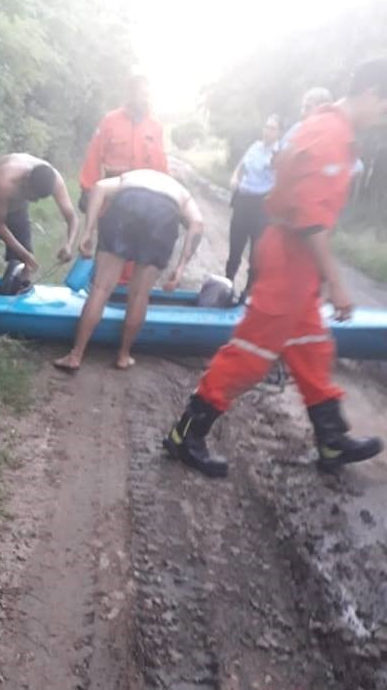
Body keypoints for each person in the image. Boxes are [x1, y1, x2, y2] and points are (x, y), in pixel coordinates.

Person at [163, 58, 387, 478]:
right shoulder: (326, 137)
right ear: (373, 91)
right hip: (289, 259)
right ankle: (184, 435)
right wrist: (337, 285)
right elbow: (311, 221)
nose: (384, 114)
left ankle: (331, 440)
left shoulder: (330, 130)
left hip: (296, 261)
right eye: (385, 103)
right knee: (249, 355)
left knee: (310, 347)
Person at [53, 169, 203, 372]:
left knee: (101, 288)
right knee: (140, 294)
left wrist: (88, 232)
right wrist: (180, 267)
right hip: (164, 215)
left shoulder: (135, 175)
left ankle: (76, 355)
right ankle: (123, 356)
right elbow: (197, 223)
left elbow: (98, 187)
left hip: (127, 204)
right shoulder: (182, 193)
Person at [79, 72, 169, 284]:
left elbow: (161, 165)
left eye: (147, 94)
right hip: (113, 196)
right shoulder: (110, 121)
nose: (144, 98)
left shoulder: (155, 127)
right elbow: (94, 155)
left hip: (144, 198)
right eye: (140, 93)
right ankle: (101, 292)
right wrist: (87, 189)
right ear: (129, 94)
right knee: (109, 249)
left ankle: (125, 296)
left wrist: (165, 197)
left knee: (136, 252)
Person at [0, 154, 78, 278]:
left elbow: (72, 217)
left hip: (18, 206)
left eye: (39, 198)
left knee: (23, 258)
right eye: (33, 196)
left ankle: (17, 283)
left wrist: (69, 244)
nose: (35, 201)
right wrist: (25, 255)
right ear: (26, 180)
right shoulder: (4, 180)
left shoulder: (54, 180)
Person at [226, 115, 282, 292]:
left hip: (261, 204)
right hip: (243, 200)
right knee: (235, 247)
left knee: (257, 252)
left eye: (272, 128)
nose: (267, 131)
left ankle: (249, 293)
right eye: (266, 127)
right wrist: (235, 178)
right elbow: (241, 166)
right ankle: (227, 286)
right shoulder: (255, 147)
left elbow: (282, 181)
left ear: (279, 132)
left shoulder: (279, 154)